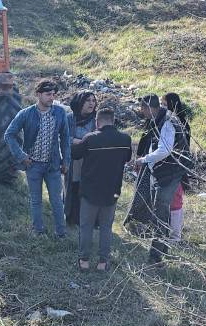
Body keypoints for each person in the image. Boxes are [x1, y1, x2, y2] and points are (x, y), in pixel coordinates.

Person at [124, 93, 191, 264]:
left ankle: (156, 256)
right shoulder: (160, 118)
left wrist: (143, 159)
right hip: (163, 172)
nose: (141, 113)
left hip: (169, 174)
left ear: (147, 108)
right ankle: (164, 248)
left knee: (160, 214)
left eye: (142, 109)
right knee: (161, 212)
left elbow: (164, 150)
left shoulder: (167, 122)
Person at [3, 79, 72, 237]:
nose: (51, 97)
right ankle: (38, 231)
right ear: (38, 95)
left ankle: (61, 233)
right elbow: (9, 135)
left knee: (56, 200)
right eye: (48, 94)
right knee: (36, 200)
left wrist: (66, 161)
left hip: (53, 165)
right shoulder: (26, 114)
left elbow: (66, 139)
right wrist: (21, 156)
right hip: (32, 164)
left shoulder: (60, 113)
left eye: (54, 94)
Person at [72, 107, 132, 271]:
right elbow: (127, 158)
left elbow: (75, 154)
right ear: (113, 121)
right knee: (106, 228)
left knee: (86, 227)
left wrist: (75, 141)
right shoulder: (125, 139)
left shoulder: (90, 138)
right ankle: (103, 263)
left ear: (97, 122)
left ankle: (84, 261)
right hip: (112, 191)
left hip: (90, 191)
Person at [162, 92, 193, 241]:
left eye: (164, 103)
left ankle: (175, 235)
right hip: (168, 166)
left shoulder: (178, 124)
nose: (162, 107)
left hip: (175, 166)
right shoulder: (165, 121)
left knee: (175, 200)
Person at [64, 91, 97, 227]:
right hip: (73, 160)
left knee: (88, 190)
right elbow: (63, 137)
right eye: (87, 100)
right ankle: (71, 218)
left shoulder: (96, 120)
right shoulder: (69, 118)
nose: (91, 103)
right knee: (72, 188)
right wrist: (79, 140)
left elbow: (99, 138)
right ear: (79, 103)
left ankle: (89, 220)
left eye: (93, 100)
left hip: (90, 161)